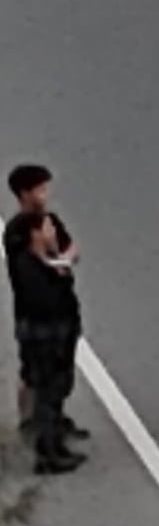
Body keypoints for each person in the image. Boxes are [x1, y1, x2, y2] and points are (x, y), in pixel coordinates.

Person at [5, 164, 88, 476]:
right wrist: (48, 252)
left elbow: (67, 256)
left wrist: (57, 252)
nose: (45, 194)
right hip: (38, 321)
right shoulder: (18, 231)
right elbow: (35, 272)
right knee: (46, 384)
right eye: (39, 189)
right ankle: (46, 451)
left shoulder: (50, 221)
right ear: (24, 194)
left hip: (62, 315)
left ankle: (56, 435)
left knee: (60, 381)